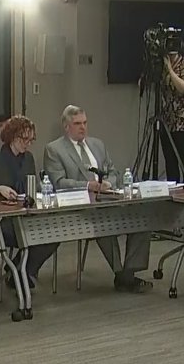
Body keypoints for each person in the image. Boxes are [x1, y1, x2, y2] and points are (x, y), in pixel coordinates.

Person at [43, 105, 153, 293]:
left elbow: (114, 172)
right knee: (104, 221)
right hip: (81, 205)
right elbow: (58, 183)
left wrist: (107, 183)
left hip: (108, 198)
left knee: (142, 217)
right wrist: (88, 185)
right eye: (77, 124)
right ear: (66, 127)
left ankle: (129, 272)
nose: (83, 127)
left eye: (85, 123)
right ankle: (121, 275)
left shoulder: (97, 145)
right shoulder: (54, 149)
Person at [0, 115, 57, 288]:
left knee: (52, 234)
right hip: (3, 221)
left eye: (31, 140)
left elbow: (32, 189)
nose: (27, 144)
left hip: (26, 215)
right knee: (32, 235)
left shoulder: (28, 159)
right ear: (12, 137)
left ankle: (20, 270)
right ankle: (20, 274)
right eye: (24, 139)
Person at [157, 40, 184, 183]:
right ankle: (173, 190)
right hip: (167, 120)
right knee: (170, 161)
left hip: (183, 120)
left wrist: (169, 69)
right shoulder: (161, 66)